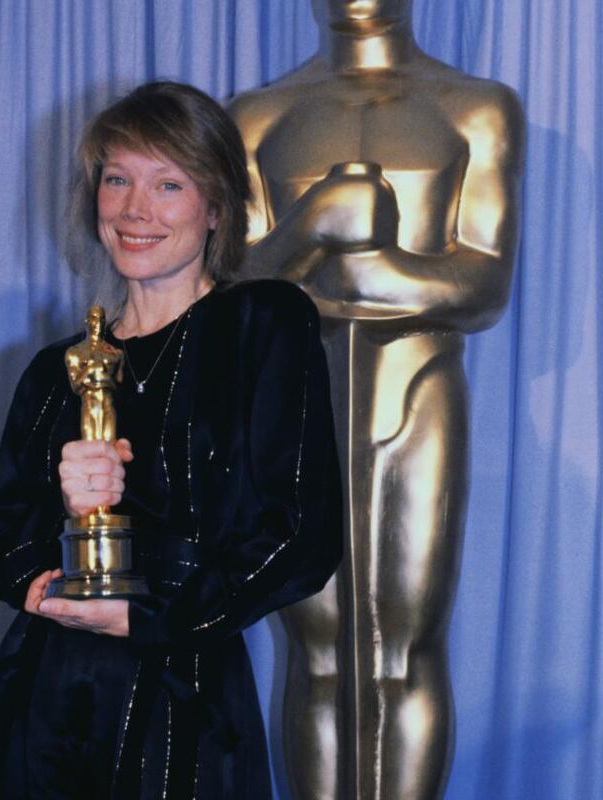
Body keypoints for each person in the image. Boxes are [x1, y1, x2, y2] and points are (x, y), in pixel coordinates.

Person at [0, 81, 341, 800]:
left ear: (216, 208)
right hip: (44, 702)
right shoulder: (56, 369)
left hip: (183, 699)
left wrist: (156, 615)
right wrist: (47, 569)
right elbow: (3, 536)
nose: (135, 210)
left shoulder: (261, 325)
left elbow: (299, 532)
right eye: (118, 180)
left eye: (168, 184)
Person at [229, 1, 525, 797]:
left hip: (417, 394)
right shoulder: (256, 116)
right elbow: (233, 287)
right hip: (295, 403)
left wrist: (362, 275)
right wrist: (314, 225)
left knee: (406, 648)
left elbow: (484, 283)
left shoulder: (476, 106)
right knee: (317, 650)